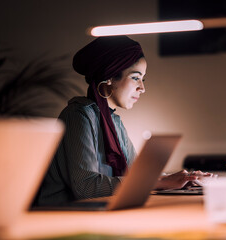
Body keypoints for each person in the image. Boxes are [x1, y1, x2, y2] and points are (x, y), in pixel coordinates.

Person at [34, 36, 210, 207]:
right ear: (109, 77)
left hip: (96, 214)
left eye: (143, 79)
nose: (142, 88)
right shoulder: (78, 115)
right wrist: (162, 181)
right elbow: (85, 187)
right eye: (135, 78)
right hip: (62, 218)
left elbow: (135, 175)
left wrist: (185, 178)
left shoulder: (114, 122)